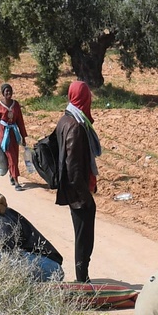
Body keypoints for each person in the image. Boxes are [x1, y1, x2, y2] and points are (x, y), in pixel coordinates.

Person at [55, 80, 98, 282]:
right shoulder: (76, 126)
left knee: (82, 235)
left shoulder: (65, 119)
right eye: (88, 96)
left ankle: (83, 276)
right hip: (78, 194)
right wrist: (85, 197)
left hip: (73, 191)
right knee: (84, 238)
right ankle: (82, 279)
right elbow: (73, 167)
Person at [0, 82, 28, 190]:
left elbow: (20, 121)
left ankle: (12, 176)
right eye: (6, 91)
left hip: (14, 134)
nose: (9, 93)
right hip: (4, 134)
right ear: (3, 93)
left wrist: (23, 136)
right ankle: (16, 181)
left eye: (10, 91)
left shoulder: (15, 105)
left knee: (14, 157)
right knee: (10, 157)